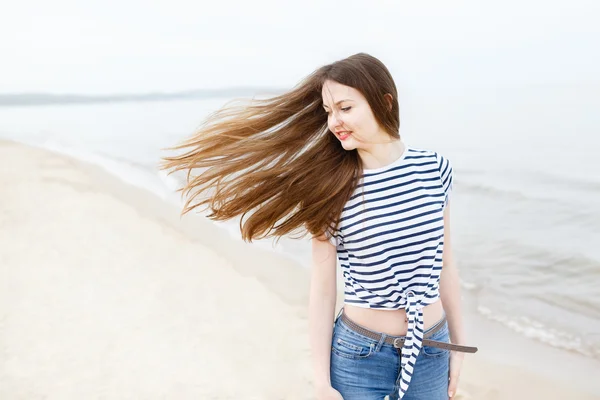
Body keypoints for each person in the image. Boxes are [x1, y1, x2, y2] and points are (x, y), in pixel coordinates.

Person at [160, 52, 477, 400]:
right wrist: (321, 383)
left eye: (345, 107)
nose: (334, 121)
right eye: (328, 111)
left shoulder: (435, 169)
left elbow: (446, 264)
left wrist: (458, 348)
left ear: (384, 102)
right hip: (360, 355)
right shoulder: (330, 188)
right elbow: (323, 291)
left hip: (431, 348)